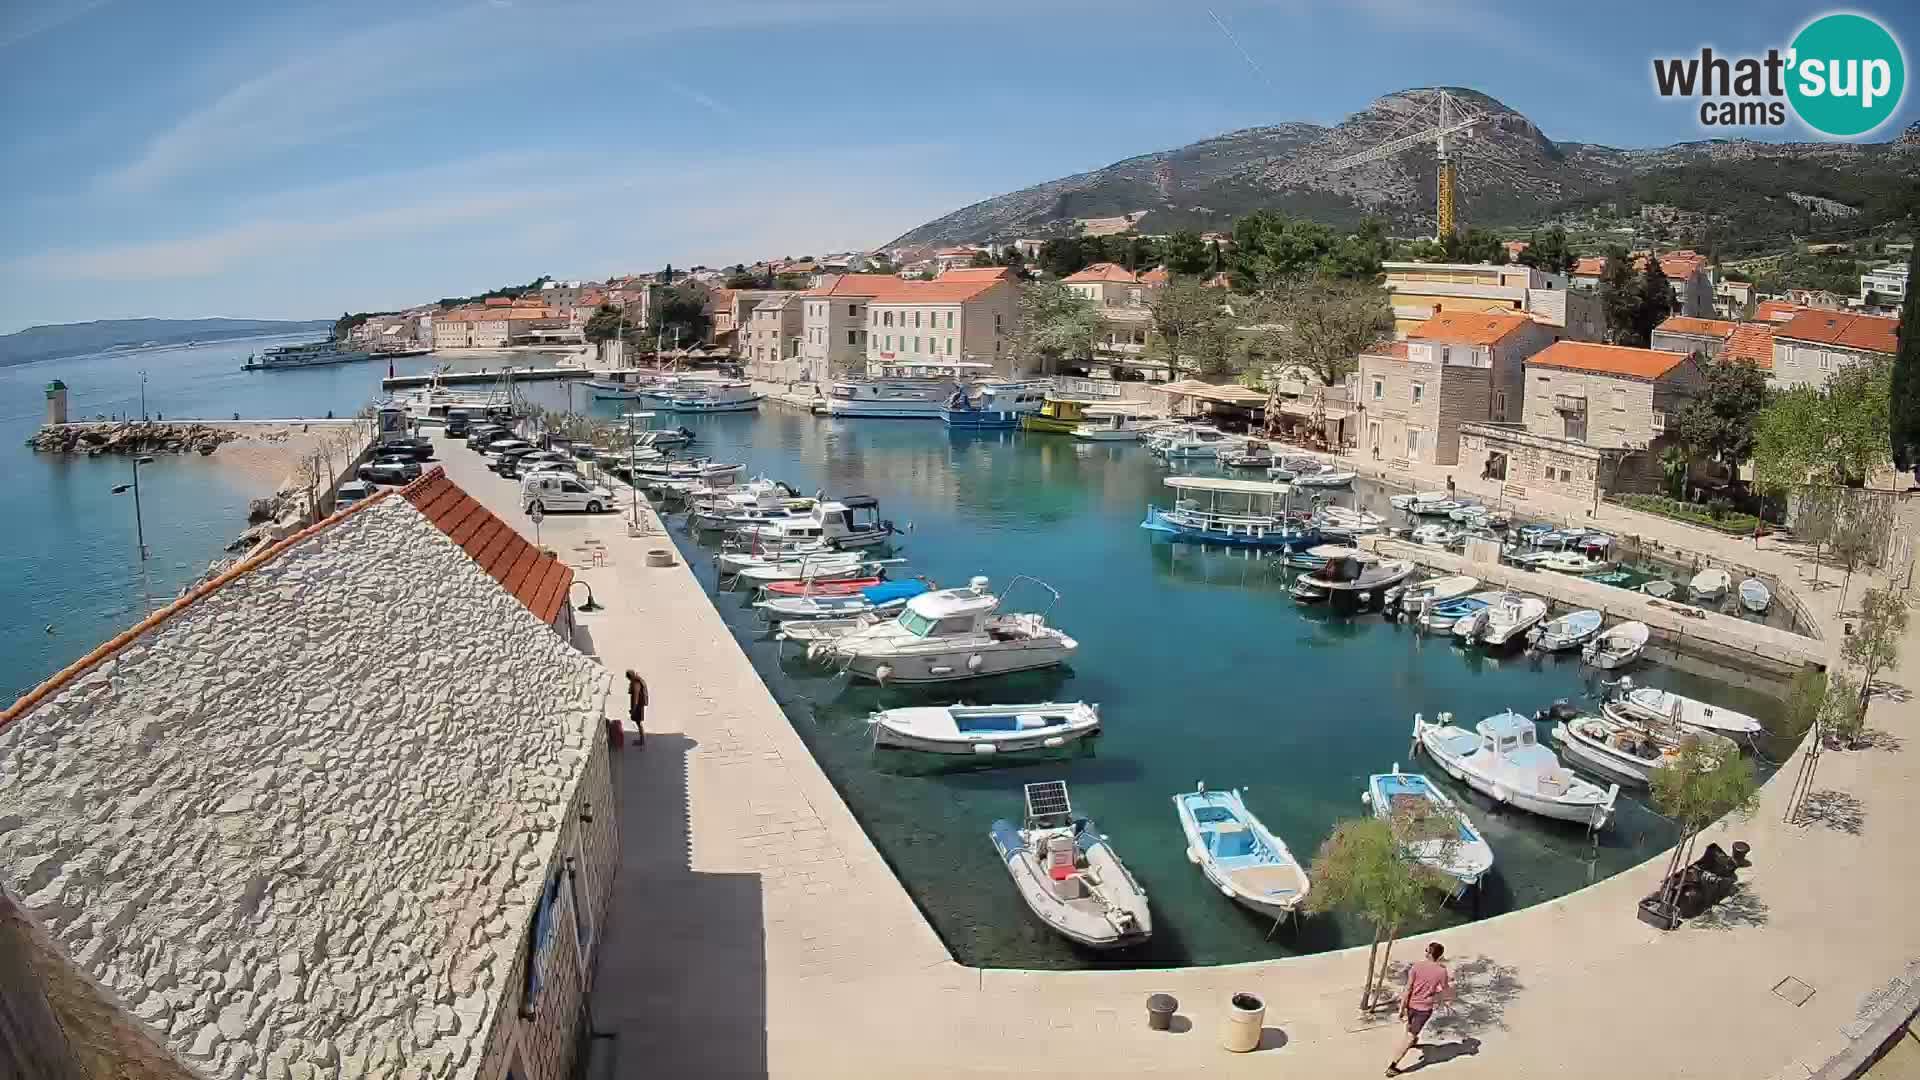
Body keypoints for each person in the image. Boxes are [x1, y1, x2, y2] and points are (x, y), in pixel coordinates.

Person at [1387, 942, 1454, 1076]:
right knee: (1410, 1037)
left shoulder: (1416, 966)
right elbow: (1445, 989)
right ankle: (1392, 1067)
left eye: (1426, 950)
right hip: (1424, 1009)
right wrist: (1445, 998)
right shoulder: (1441, 971)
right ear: (1439, 956)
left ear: (1428, 953)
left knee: (1410, 1028)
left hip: (1410, 1004)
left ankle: (1411, 1041)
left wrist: (1402, 1008)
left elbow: (1408, 989)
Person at [625, 670, 648, 746]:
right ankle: (642, 740)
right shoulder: (637, 680)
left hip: (638, 707)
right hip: (639, 705)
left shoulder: (635, 684)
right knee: (639, 723)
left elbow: (635, 698)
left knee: (639, 723)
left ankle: (642, 741)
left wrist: (633, 710)